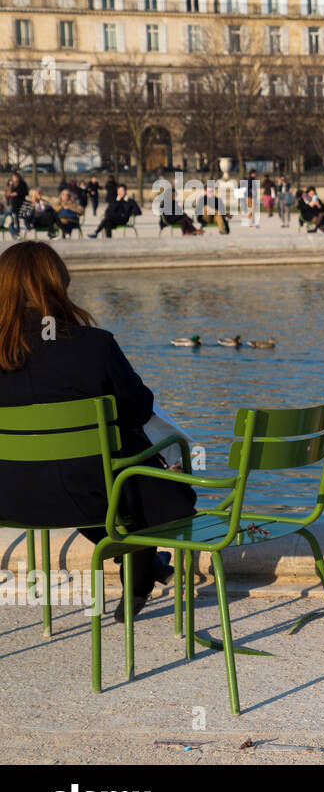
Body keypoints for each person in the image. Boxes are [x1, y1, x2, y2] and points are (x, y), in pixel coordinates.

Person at [0, 242, 198, 621]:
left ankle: (142, 564)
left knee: (78, 465)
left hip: (9, 497)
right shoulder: (93, 345)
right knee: (122, 458)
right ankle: (140, 565)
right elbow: (139, 407)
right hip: (89, 496)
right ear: (59, 283)